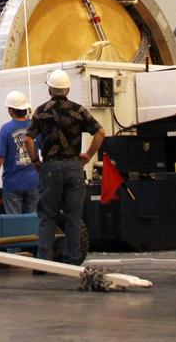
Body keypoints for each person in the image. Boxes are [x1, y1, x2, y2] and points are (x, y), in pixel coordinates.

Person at [24, 69, 105, 266]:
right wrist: (88, 155)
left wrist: (36, 161)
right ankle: (72, 261)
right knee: (73, 217)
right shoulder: (79, 111)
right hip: (73, 167)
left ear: (50, 89)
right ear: (67, 88)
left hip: (50, 167)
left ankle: (44, 261)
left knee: (47, 216)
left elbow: (28, 139)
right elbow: (100, 132)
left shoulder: (41, 111)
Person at [0, 90, 39, 215]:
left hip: (12, 184)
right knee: (33, 223)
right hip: (34, 183)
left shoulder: (6, 129)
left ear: (11, 110)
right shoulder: (35, 126)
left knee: (15, 225)